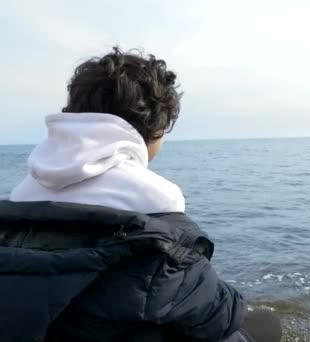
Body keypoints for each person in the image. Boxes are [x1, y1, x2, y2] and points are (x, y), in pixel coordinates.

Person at [0, 47, 281, 342]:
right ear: (156, 129)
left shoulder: (17, 206)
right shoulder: (159, 211)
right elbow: (219, 316)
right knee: (264, 324)